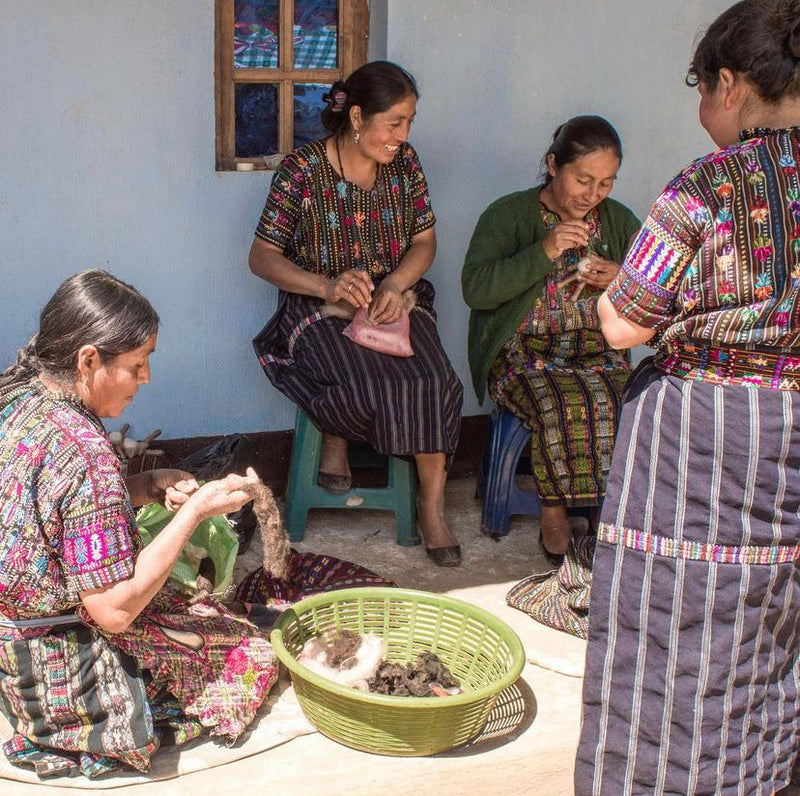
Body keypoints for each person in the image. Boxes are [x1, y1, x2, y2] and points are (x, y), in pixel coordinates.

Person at [575, 2, 800, 793]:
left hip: (706, 437)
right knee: (774, 622)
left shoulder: (712, 182)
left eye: (702, 89)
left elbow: (622, 324)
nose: (703, 110)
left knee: (676, 626)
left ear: (732, 84)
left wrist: (623, 299)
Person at [0, 270, 277, 779]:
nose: (146, 378)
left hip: (10, 639)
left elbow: (52, 512)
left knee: (195, 611)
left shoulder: (17, 398)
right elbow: (112, 612)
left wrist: (145, 485)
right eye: (136, 364)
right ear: (88, 361)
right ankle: (86, 726)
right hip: (58, 671)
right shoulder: (83, 451)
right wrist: (194, 511)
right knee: (249, 653)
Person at [248, 60, 463, 567]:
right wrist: (327, 284)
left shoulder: (405, 164)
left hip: (394, 300)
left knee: (435, 379)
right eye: (395, 123)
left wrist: (394, 283)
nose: (403, 135)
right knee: (360, 381)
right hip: (317, 305)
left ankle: (431, 507)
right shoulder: (302, 171)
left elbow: (424, 242)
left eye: (409, 122)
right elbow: (261, 258)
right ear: (359, 117)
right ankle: (334, 431)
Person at [462, 116, 640, 561]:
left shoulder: (616, 221)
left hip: (598, 353)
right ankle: (554, 512)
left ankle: (607, 511)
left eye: (605, 183)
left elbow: (653, 283)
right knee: (560, 399)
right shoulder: (508, 214)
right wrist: (544, 250)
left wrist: (620, 276)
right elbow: (476, 289)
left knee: (630, 399)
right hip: (523, 355)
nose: (592, 194)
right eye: (582, 179)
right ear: (552, 164)